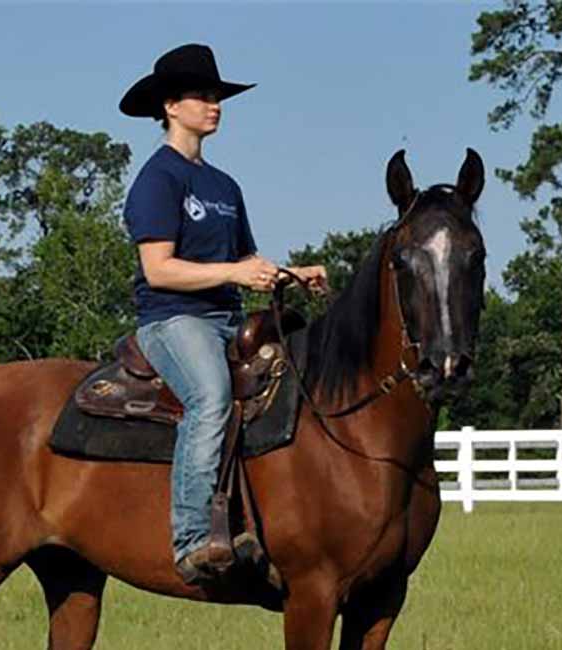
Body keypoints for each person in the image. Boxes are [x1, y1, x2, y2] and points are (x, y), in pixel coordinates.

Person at [118, 43, 328, 584]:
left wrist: (291, 275)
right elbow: (159, 269)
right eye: (201, 95)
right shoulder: (158, 179)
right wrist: (236, 275)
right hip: (173, 319)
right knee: (210, 398)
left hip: (228, 318)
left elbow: (244, 263)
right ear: (169, 106)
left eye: (217, 96)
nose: (214, 105)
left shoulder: (223, 185)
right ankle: (191, 539)